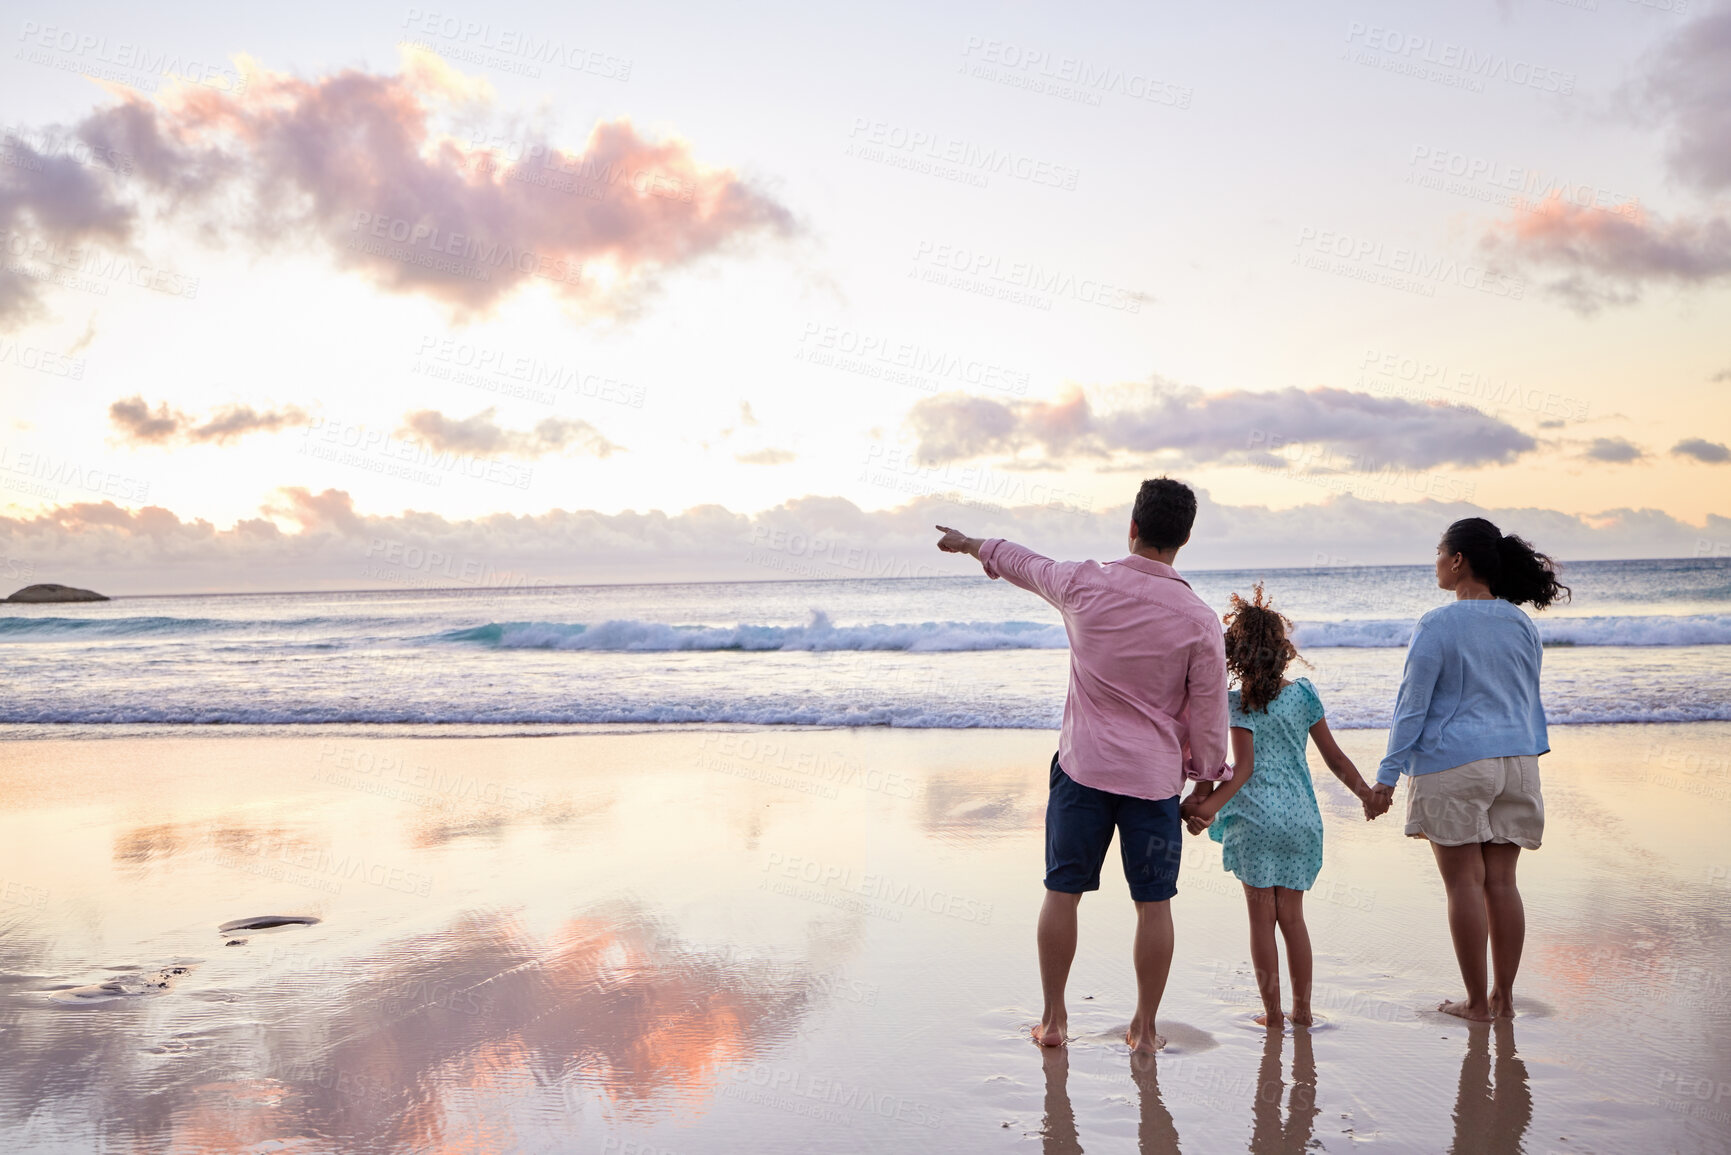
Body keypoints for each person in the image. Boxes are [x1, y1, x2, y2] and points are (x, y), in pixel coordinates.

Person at [934, 476, 1231, 1054]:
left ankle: (1053, 1022)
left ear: (1133, 527)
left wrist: (972, 544)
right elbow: (1209, 713)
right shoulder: (1199, 619)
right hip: (1152, 784)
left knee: (1062, 892)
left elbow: (1024, 562)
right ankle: (1144, 1030)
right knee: (1154, 905)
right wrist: (1203, 784)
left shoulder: (1083, 583)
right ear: (1185, 538)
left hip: (1082, 770)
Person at [1367, 517, 1568, 1021]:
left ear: (1458, 561)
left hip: (1455, 762)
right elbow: (1526, 697)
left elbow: (1411, 707)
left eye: (1440, 553)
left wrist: (1386, 778)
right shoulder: (1521, 623)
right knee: (1502, 883)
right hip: (1519, 763)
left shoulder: (1437, 624)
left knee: (1463, 885)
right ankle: (1503, 999)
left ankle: (1477, 1004)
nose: (1435, 562)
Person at [1182, 583, 1380, 1028]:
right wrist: (1365, 793)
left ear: (1236, 653)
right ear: (1281, 648)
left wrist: (1207, 807)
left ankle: (1272, 1015)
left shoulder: (1239, 703)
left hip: (1255, 819)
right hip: (1301, 819)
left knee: (1260, 922)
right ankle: (1303, 1012)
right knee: (1293, 919)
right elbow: (1334, 758)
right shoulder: (1304, 695)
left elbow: (1243, 768)